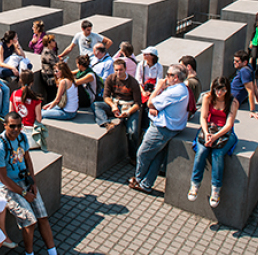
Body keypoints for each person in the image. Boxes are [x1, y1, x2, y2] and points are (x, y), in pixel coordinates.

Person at [0, 113, 64, 255]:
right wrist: (23, 193)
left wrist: (33, 182)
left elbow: (28, 159)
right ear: (5, 125)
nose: (16, 129)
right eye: (12, 126)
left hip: (25, 181)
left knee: (43, 216)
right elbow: (3, 178)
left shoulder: (22, 138)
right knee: (30, 221)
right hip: (7, 187)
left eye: (19, 126)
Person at [129, 64, 190, 193]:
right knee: (157, 155)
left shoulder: (174, 91)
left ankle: (139, 180)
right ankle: (146, 183)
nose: (166, 77)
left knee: (143, 153)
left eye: (168, 75)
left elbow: (150, 102)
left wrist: (158, 88)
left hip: (161, 128)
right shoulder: (181, 89)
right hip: (170, 126)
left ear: (176, 77)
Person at [188, 77, 239, 208]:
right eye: (217, 89)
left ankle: (216, 189)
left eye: (222, 89)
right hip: (208, 129)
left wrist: (215, 137)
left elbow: (229, 124)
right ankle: (195, 184)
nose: (219, 92)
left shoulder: (233, 102)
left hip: (224, 133)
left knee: (218, 154)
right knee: (202, 151)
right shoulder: (208, 98)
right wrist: (207, 134)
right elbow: (203, 118)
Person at [92, 59, 143, 165]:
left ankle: (133, 156)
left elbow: (138, 104)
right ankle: (106, 123)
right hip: (116, 104)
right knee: (96, 105)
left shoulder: (133, 82)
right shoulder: (111, 78)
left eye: (120, 70)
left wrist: (128, 112)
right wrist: (113, 106)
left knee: (132, 132)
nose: (118, 72)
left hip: (129, 107)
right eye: (116, 70)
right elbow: (106, 96)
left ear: (125, 69)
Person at [10, 70, 46, 150]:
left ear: (20, 80)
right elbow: (38, 119)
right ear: (32, 82)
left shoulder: (14, 94)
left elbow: (11, 114)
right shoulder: (36, 98)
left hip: (17, 134)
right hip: (31, 137)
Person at [231, 50, 258, 119]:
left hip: (232, 99)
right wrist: (257, 99)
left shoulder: (244, 71)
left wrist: (252, 110)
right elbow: (254, 83)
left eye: (237, 61)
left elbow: (250, 91)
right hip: (235, 95)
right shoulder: (249, 67)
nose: (234, 62)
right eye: (234, 60)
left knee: (205, 96)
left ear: (244, 62)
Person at [39, 34, 59, 100]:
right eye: (53, 40)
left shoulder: (51, 51)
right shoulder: (46, 52)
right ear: (48, 43)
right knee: (52, 95)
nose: (55, 42)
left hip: (54, 75)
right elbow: (53, 64)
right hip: (49, 77)